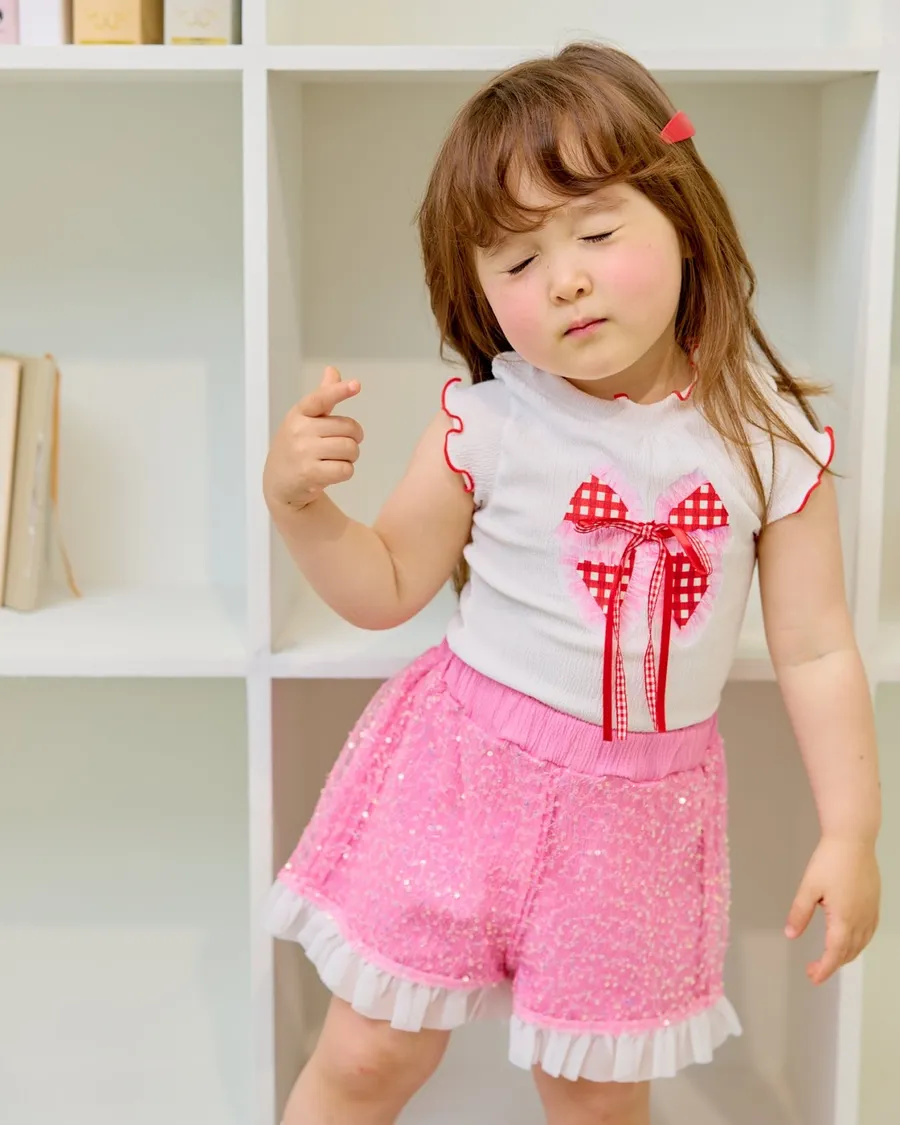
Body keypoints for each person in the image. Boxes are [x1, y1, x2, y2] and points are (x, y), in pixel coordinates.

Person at [261, 41, 882, 1125]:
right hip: (459, 783)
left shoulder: (768, 440)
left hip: (636, 824)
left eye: (596, 233)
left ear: (682, 218)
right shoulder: (491, 422)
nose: (566, 279)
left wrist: (852, 830)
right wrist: (300, 509)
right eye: (518, 261)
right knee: (364, 1057)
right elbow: (386, 583)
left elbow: (819, 645)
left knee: (597, 1099)